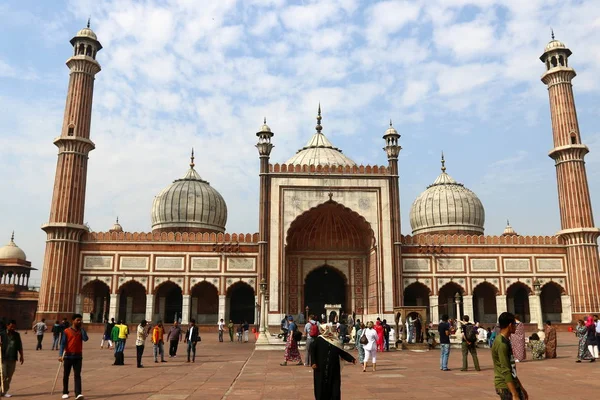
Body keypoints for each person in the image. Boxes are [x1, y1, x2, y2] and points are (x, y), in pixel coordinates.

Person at [311, 325, 356, 400]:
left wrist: (351, 359)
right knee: (321, 387)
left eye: (322, 330)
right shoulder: (318, 340)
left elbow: (341, 352)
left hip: (333, 368)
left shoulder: (335, 341)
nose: (321, 331)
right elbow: (312, 351)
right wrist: (313, 362)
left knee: (334, 388)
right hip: (320, 369)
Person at [491, 312, 528, 400]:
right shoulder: (501, 343)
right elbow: (506, 370)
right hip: (505, 385)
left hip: (511, 383)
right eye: (515, 324)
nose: (516, 326)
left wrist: (521, 387)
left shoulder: (506, 340)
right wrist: (514, 394)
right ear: (510, 325)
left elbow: (511, 369)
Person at [59, 313, 89, 400]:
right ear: (73, 321)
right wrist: (60, 355)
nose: (79, 322)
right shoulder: (66, 331)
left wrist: (82, 330)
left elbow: (85, 339)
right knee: (66, 375)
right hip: (68, 356)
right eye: (78, 320)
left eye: (80, 320)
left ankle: (78, 393)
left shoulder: (81, 331)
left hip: (78, 356)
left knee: (77, 375)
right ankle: (65, 392)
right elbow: (62, 344)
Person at [0, 320, 24, 398]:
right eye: (11, 326)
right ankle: (1, 390)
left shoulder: (17, 335)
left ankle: (4, 391)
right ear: (7, 326)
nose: (13, 328)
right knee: (3, 374)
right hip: (3, 358)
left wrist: (21, 356)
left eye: (14, 327)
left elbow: (19, 346)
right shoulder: (2, 334)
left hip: (12, 358)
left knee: (9, 376)